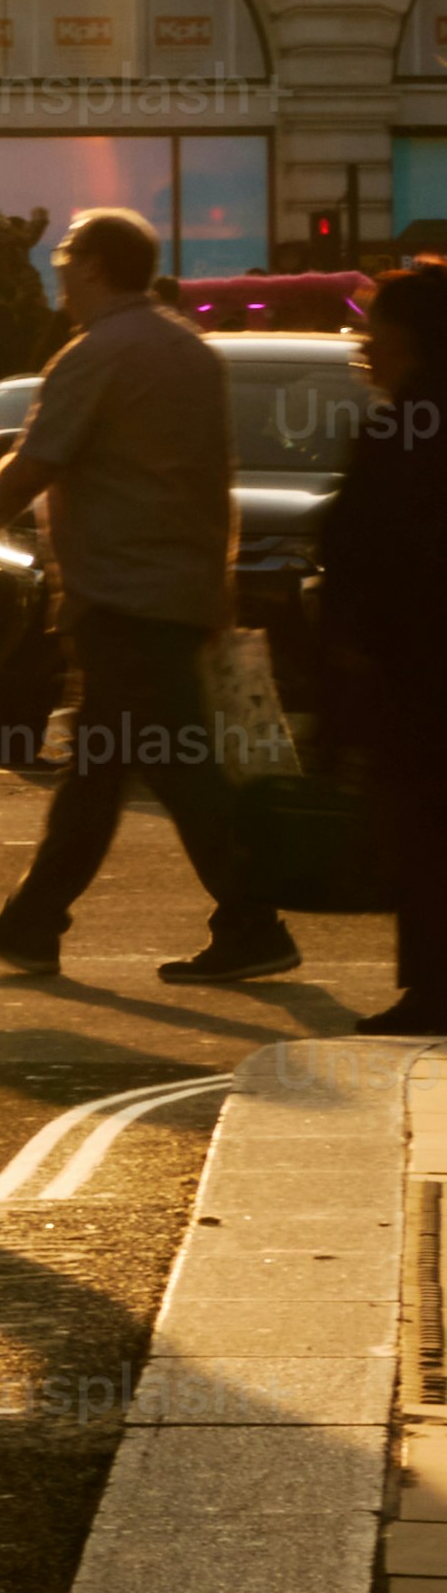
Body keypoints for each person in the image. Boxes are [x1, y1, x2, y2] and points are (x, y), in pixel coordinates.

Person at [0, 202, 288, 988]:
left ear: (93, 264)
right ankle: (41, 920)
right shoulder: (191, 352)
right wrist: (217, 585)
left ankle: (250, 918)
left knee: (163, 767)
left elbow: (33, 463)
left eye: (65, 253)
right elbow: (213, 480)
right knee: (112, 763)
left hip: (123, 594)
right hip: (174, 590)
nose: (55, 265)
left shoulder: (95, 353)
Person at [331, 265, 447, 1031]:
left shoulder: (410, 425)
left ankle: (433, 988)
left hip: (416, 666)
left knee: (423, 824)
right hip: (413, 656)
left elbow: (382, 545)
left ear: (404, 335)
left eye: (373, 326)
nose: (362, 343)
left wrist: (354, 640)